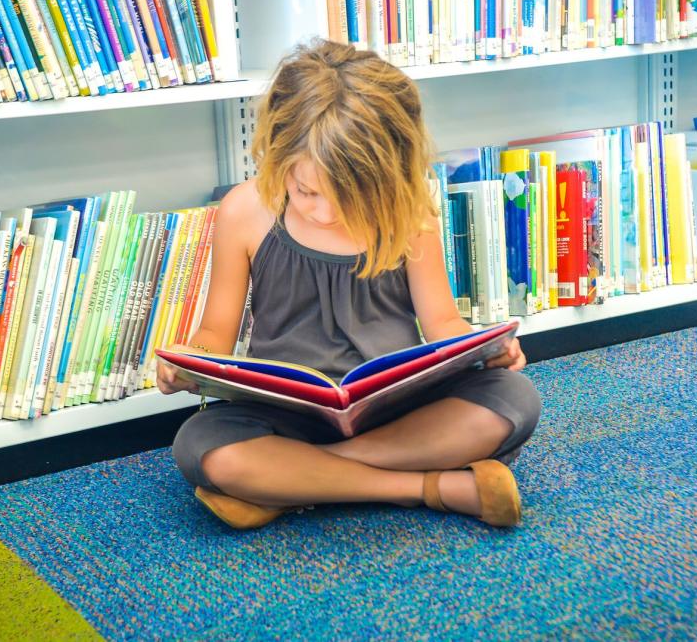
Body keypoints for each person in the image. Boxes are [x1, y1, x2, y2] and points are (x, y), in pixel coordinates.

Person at [159, 40, 541, 529]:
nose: (326, 211)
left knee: (513, 398)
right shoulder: (244, 211)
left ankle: (291, 483)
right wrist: (189, 364)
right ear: (276, 154)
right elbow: (215, 333)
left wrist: (480, 350)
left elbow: (442, 320)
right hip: (285, 413)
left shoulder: (407, 213)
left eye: (351, 195)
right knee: (203, 446)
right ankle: (428, 486)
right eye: (307, 192)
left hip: (395, 407)